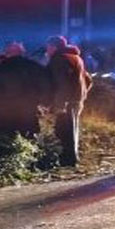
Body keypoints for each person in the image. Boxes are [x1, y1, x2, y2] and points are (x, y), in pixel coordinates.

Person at [0, 42, 51, 138]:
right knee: (28, 137)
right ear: (22, 52)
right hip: (27, 110)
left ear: (7, 53)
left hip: (2, 113)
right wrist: (45, 102)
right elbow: (45, 84)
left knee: (4, 140)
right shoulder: (34, 67)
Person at [45, 35, 94, 166]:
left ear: (54, 47)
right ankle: (72, 158)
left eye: (48, 47)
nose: (47, 50)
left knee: (64, 131)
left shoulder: (59, 59)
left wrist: (60, 103)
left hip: (65, 101)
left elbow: (62, 84)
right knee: (73, 129)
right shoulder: (76, 58)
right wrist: (81, 94)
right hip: (76, 100)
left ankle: (67, 160)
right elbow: (88, 80)